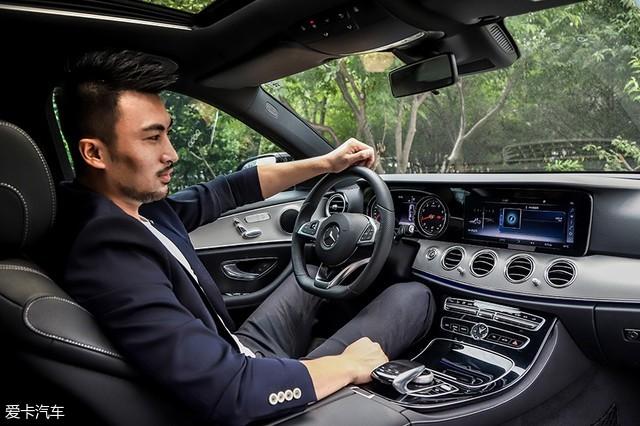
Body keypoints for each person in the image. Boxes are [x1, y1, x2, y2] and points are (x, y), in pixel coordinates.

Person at [48, 50, 435, 425]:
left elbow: (228, 191)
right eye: (152, 138)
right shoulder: (107, 253)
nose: (171, 154)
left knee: (317, 268)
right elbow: (229, 391)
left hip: (237, 348)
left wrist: (326, 163)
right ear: (94, 153)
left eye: (167, 133)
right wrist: (346, 365)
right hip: (246, 388)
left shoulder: (132, 207)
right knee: (412, 297)